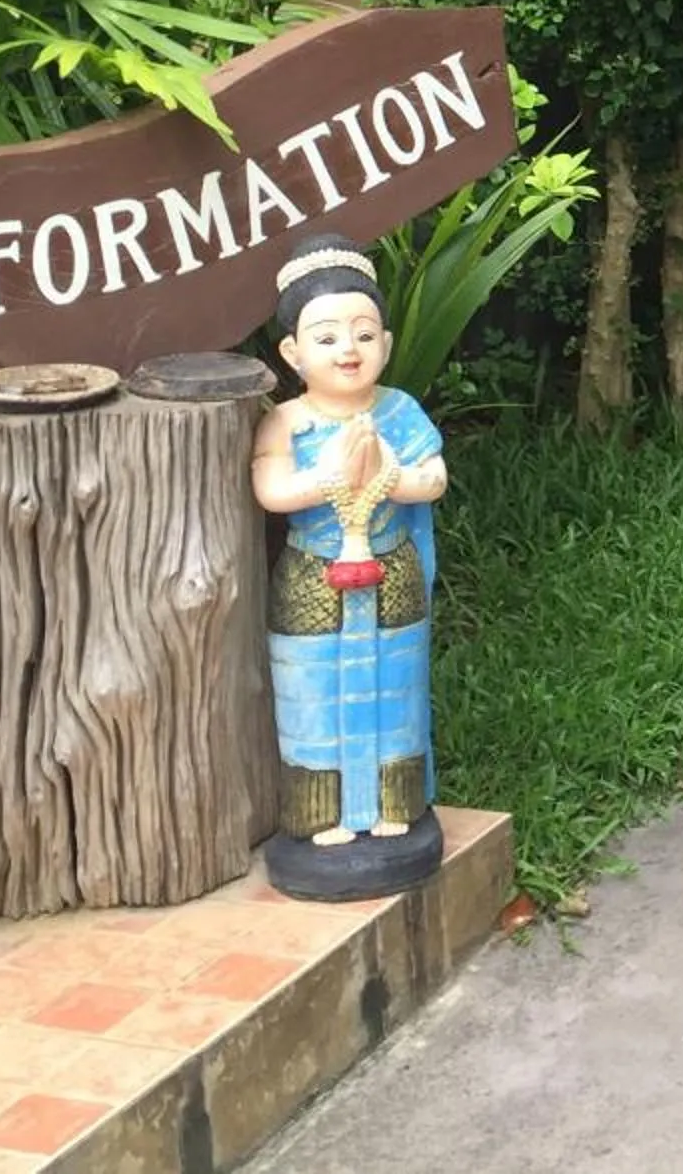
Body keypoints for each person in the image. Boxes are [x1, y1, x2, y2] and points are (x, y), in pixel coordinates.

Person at [251, 231, 450, 894]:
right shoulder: (285, 422)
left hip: (391, 569)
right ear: (291, 352)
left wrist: (389, 475)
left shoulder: (399, 413)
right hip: (314, 572)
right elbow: (273, 492)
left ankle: (396, 806)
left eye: (364, 334)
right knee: (313, 694)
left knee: (395, 685)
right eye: (328, 336)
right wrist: (333, 477)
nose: (348, 350)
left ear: (386, 346)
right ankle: (322, 814)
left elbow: (435, 478)